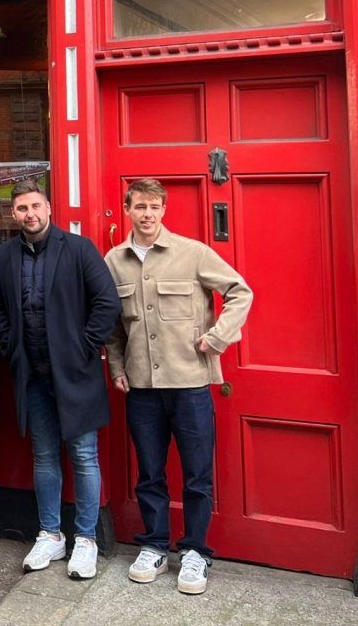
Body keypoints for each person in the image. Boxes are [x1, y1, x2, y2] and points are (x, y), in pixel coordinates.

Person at [104, 178, 253, 595]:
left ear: (164, 209)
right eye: (139, 207)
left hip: (189, 383)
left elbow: (240, 292)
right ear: (128, 209)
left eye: (154, 207)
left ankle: (195, 551)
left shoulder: (194, 253)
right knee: (149, 473)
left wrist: (218, 337)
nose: (147, 214)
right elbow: (113, 325)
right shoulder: (113, 261)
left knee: (196, 474)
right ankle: (153, 544)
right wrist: (116, 365)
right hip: (142, 386)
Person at [0, 181, 120, 580]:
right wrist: (10, 342)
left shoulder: (77, 249)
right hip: (32, 375)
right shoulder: (5, 255)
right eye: (22, 208)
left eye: (36, 206)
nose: (30, 213)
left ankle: (85, 539)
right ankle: (50, 534)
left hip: (76, 374)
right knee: (43, 457)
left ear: (49, 207)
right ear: (14, 214)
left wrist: (84, 345)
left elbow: (107, 301)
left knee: (83, 456)